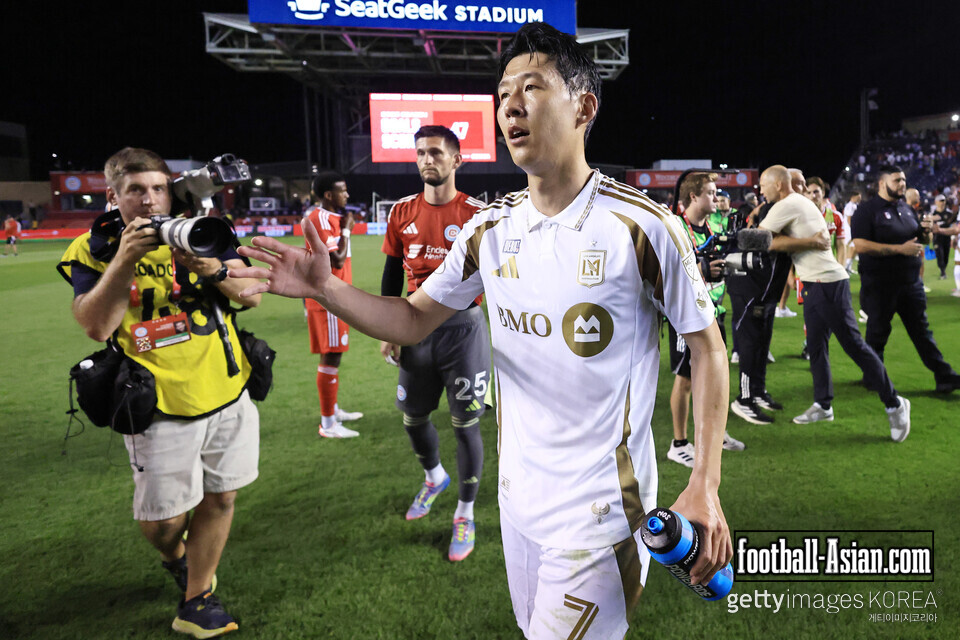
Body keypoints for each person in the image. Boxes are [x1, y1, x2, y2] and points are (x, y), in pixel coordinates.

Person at [232, 22, 732, 639]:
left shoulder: (643, 226)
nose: (510, 106)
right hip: (518, 505)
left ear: (584, 107)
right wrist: (325, 288)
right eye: (502, 94)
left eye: (532, 87)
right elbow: (413, 317)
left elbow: (707, 347)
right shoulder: (488, 231)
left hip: (604, 516)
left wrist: (704, 483)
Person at [56, 147, 262, 637]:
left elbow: (251, 294)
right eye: (136, 190)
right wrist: (125, 259)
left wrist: (210, 266)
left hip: (227, 386)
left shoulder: (204, 229)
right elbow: (95, 324)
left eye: (158, 189)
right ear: (113, 196)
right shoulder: (92, 248)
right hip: (157, 402)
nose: (150, 201)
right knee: (167, 523)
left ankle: (197, 599)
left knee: (224, 496)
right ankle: (178, 557)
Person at [379, 125, 490, 561]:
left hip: (464, 330)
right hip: (413, 328)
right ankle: (434, 477)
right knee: (412, 417)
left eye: (437, 153)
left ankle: (465, 513)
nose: (428, 160)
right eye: (422, 153)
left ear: (456, 160)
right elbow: (390, 275)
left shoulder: (479, 214)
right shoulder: (401, 212)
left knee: (466, 424)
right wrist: (390, 330)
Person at [757, 165, 911, 440]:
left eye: (763, 185)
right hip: (817, 282)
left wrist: (788, 241)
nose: (760, 190)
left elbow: (759, 239)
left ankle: (895, 403)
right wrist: (804, 241)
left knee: (854, 345)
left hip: (827, 283)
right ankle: (823, 404)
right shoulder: (797, 202)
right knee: (816, 346)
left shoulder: (787, 203)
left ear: (778, 185)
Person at [851, 165, 960, 393]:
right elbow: (860, 244)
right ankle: (872, 378)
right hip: (881, 284)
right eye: (897, 180)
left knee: (922, 332)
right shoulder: (867, 211)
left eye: (903, 180)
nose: (902, 184)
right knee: (878, 332)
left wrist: (926, 232)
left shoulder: (906, 208)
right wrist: (899, 249)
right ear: (882, 183)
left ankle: (945, 377)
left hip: (911, 283)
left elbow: (919, 240)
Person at [668, 173, 744, 467]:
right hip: (687, 318)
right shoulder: (676, 227)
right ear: (693, 197)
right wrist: (702, 269)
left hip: (715, 313)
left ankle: (715, 434)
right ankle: (678, 443)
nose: (717, 198)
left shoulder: (714, 226)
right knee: (685, 380)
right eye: (711, 193)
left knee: (715, 377)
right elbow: (673, 270)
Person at [304, 172, 364, 437]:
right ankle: (328, 424)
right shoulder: (319, 218)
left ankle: (332, 409)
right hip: (328, 298)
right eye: (343, 191)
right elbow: (336, 261)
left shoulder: (333, 218)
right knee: (331, 356)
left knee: (333, 355)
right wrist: (348, 229)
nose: (347, 195)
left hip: (338, 296)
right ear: (329, 195)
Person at [930, 194, 957, 279]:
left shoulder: (949, 214)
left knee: (946, 256)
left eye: (944, 201)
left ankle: (943, 269)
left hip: (947, 238)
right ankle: (943, 272)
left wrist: (953, 238)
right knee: (940, 255)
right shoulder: (932, 214)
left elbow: (954, 226)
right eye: (940, 201)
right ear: (936, 202)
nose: (942, 203)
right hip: (937, 239)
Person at [841, 190, 861, 273]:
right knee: (852, 247)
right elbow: (849, 219)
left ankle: (848, 266)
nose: (860, 198)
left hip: (852, 229)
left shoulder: (855, 205)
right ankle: (845, 265)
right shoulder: (850, 206)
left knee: (853, 248)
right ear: (853, 197)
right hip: (849, 229)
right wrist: (853, 228)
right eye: (859, 197)